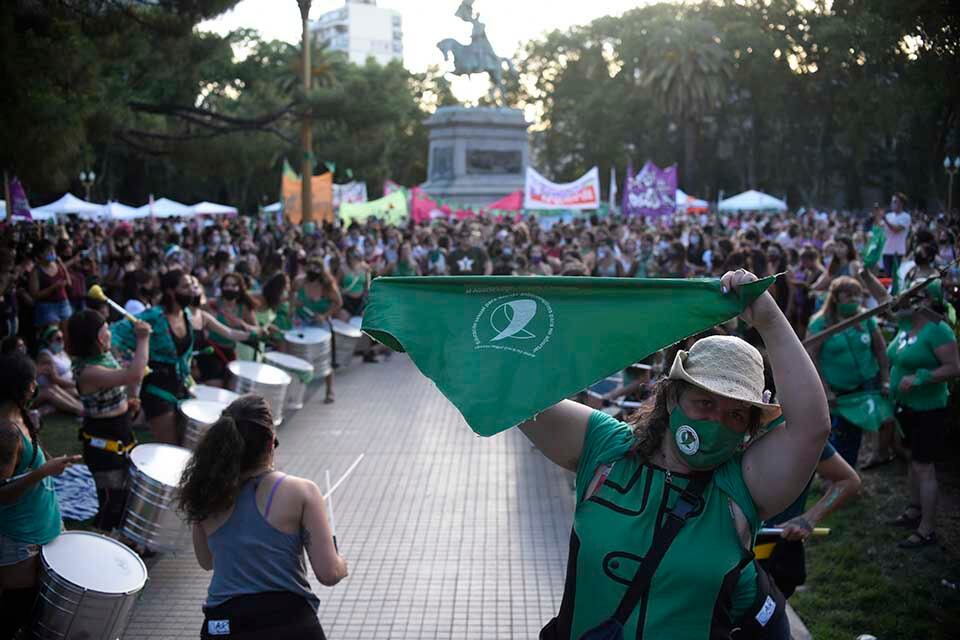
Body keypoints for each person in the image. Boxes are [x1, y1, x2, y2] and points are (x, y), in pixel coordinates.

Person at [526, 269, 830, 639]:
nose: (716, 421)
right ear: (672, 398)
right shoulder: (606, 449)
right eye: (704, 402)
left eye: (735, 414)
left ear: (749, 427)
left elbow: (811, 428)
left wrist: (769, 318)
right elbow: (520, 392)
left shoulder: (742, 487)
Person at [177, 395, 348, 640]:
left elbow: (207, 561)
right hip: (288, 624)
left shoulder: (207, 493)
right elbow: (329, 573)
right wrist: (342, 564)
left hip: (224, 625)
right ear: (270, 443)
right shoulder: (301, 491)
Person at [111, 269, 257, 444]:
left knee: (187, 443)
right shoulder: (154, 316)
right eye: (186, 286)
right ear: (171, 291)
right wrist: (129, 364)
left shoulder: (187, 315)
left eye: (192, 286)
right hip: (157, 389)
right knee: (170, 447)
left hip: (182, 387)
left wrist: (255, 333)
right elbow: (115, 335)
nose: (193, 290)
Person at [0, 352, 80, 639]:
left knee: (41, 612)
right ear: (18, 385)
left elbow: (31, 460)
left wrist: (50, 463)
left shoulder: (20, 416)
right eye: (32, 382)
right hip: (19, 538)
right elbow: (2, 494)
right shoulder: (5, 432)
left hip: (43, 526)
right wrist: (43, 472)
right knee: (17, 614)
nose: (36, 387)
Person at [886, 280, 960, 549]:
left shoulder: (938, 330)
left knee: (924, 466)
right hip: (906, 407)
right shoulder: (907, 324)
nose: (904, 297)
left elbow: (953, 367)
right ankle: (914, 509)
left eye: (912, 294)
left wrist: (921, 378)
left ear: (927, 300)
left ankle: (927, 528)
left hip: (929, 409)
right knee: (912, 461)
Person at [67, 309, 151, 532]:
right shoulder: (88, 371)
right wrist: (143, 339)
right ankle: (99, 543)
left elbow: (124, 382)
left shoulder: (103, 357)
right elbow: (133, 374)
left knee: (123, 494)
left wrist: (129, 400)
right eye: (105, 331)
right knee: (111, 501)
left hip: (120, 430)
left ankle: (115, 538)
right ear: (94, 339)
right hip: (102, 441)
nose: (109, 335)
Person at [759, 441, 860, 600]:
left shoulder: (803, 435)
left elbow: (847, 480)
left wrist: (809, 519)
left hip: (773, 553)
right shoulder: (718, 426)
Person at [806, 277, 890, 468]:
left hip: (864, 386)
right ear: (835, 298)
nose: (855, 300)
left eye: (857, 295)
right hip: (836, 391)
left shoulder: (866, 318)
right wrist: (825, 390)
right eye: (849, 296)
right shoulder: (820, 323)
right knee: (837, 434)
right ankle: (833, 476)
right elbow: (812, 360)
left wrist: (885, 379)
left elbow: (880, 348)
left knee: (854, 434)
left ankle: (848, 475)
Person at [35, 325, 85, 417]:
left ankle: (80, 408)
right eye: (58, 339)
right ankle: (80, 410)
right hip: (57, 386)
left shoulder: (62, 352)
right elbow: (55, 379)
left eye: (62, 338)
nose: (62, 341)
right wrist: (77, 384)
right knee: (76, 391)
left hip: (63, 385)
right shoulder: (45, 356)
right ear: (49, 341)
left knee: (79, 392)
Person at [28, 239, 72, 329]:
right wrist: (52, 288)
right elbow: (34, 295)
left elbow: (68, 282)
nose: (52, 253)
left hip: (63, 303)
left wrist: (62, 265)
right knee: (54, 334)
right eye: (48, 251)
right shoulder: (36, 271)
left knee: (67, 333)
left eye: (53, 250)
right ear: (40, 254)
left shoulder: (58, 264)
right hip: (47, 307)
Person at [879, 194, 911, 279]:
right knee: (887, 277)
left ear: (901, 204)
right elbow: (879, 227)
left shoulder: (906, 217)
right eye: (892, 201)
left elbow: (896, 230)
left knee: (896, 277)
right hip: (886, 250)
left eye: (895, 202)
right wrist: (877, 215)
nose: (892, 204)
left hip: (898, 251)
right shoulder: (889, 215)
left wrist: (885, 219)